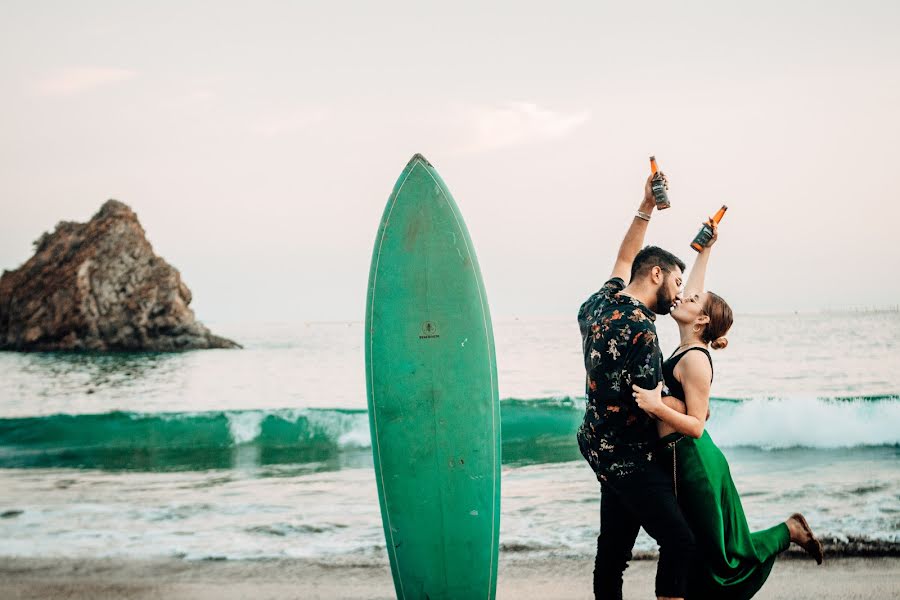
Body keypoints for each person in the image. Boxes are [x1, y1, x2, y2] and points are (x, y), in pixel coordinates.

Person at [631, 223, 824, 600]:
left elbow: (697, 426)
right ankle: (789, 531)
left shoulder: (696, 362)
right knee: (701, 548)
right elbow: (698, 291)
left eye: (691, 301)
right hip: (686, 461)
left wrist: (656, 406)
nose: (682, 297)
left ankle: (789, 531)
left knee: (720, 556)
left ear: (700, 320)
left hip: (695, 463)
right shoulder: (686, 345)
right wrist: (705, 251)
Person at [577, 170, 694, 600]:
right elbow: (651, 402)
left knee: (612, 553)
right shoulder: (643, 329)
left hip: (598, 448)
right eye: (678, 282)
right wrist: (694, 410)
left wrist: (645, 206)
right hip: (630, 456)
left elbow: (624, 261)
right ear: (658, 274)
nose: (679, 295)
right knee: (679, 542)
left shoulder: (598, 305)